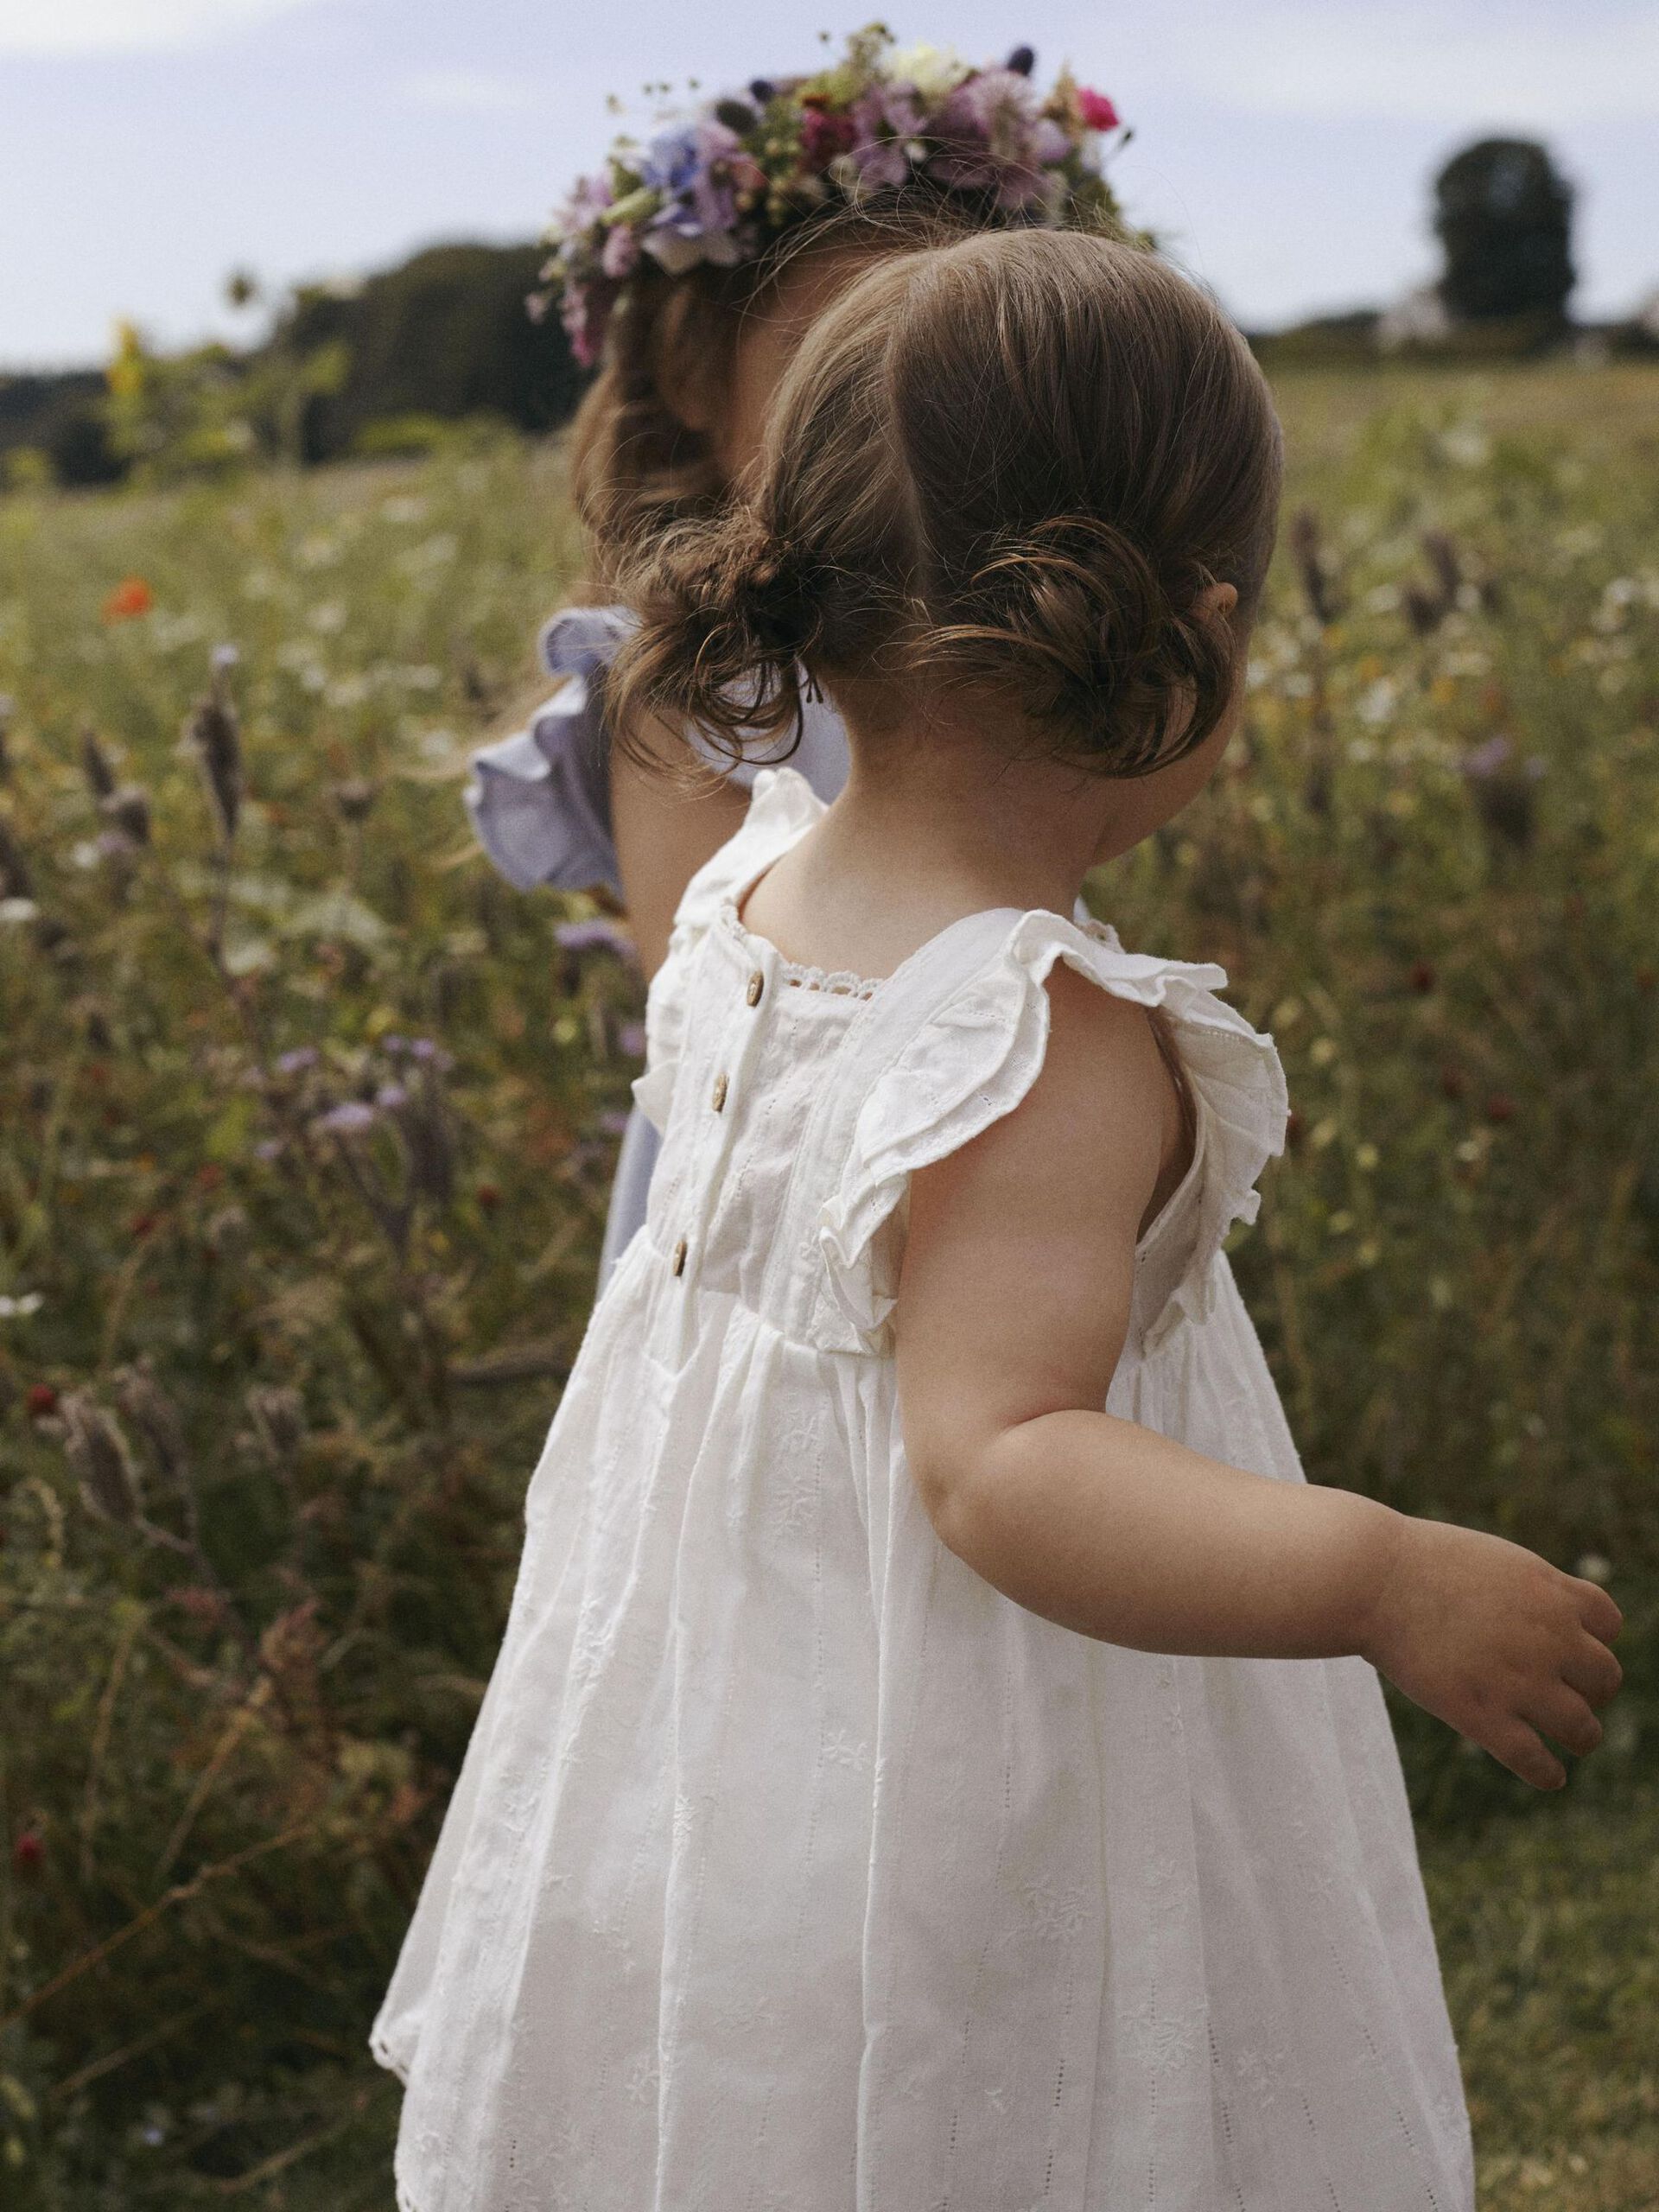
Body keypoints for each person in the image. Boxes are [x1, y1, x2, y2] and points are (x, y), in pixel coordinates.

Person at [372, 227, 1624, 2209]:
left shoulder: (745, 903)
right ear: (1195, 627)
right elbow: (1006, 1461)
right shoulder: (1039, 1034)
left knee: (778, 2089)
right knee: (996, 2088)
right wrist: (1378, 1576)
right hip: (962, 1735)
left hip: (739, 1720)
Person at [465, 29, 1130, 1282]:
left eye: (960, 374)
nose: (904, 422)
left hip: (1017, 1155)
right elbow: (718, 1014)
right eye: (843, 363)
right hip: (783, 1217)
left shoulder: (1004, 632)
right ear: (696, 381)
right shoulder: (694, 680)